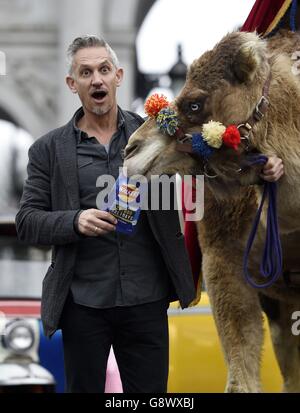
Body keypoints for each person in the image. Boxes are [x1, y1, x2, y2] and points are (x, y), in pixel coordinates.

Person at [15, 35, 197, 393]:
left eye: (104, 69)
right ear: (73, 83)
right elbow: (27, 221)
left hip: (147, 299)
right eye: (86, 72)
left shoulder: (157, 135)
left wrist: (263, 165)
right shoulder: (48, 150)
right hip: (83, 303)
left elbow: (211, 168)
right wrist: (75, 220)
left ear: (118, 76)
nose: (96, 79)